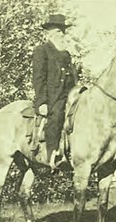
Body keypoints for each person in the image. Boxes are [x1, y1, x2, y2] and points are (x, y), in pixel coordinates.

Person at [32, 14, 78, 167]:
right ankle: (52, 155)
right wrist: (42, 102)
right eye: (59, 31)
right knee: (57, 116)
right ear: (49, 33)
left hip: (68, 96)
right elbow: (38, 77)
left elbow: (70, 79)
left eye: (63, 31)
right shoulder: (42, 51)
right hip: (52, 98)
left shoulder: (66, 54)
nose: (63, 34)